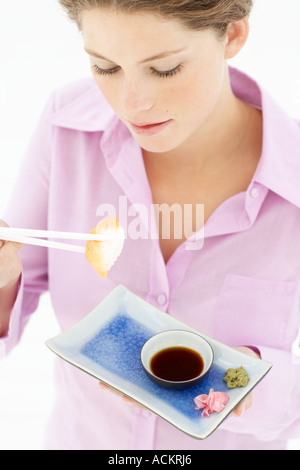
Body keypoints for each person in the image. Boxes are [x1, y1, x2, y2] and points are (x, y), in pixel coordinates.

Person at [1, 0, 300, 450]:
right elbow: (20, 284)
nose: (131, 104)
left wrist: (249, 382)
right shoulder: (66, 124)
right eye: (105, 67)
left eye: (164, 70)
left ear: (233, 35)